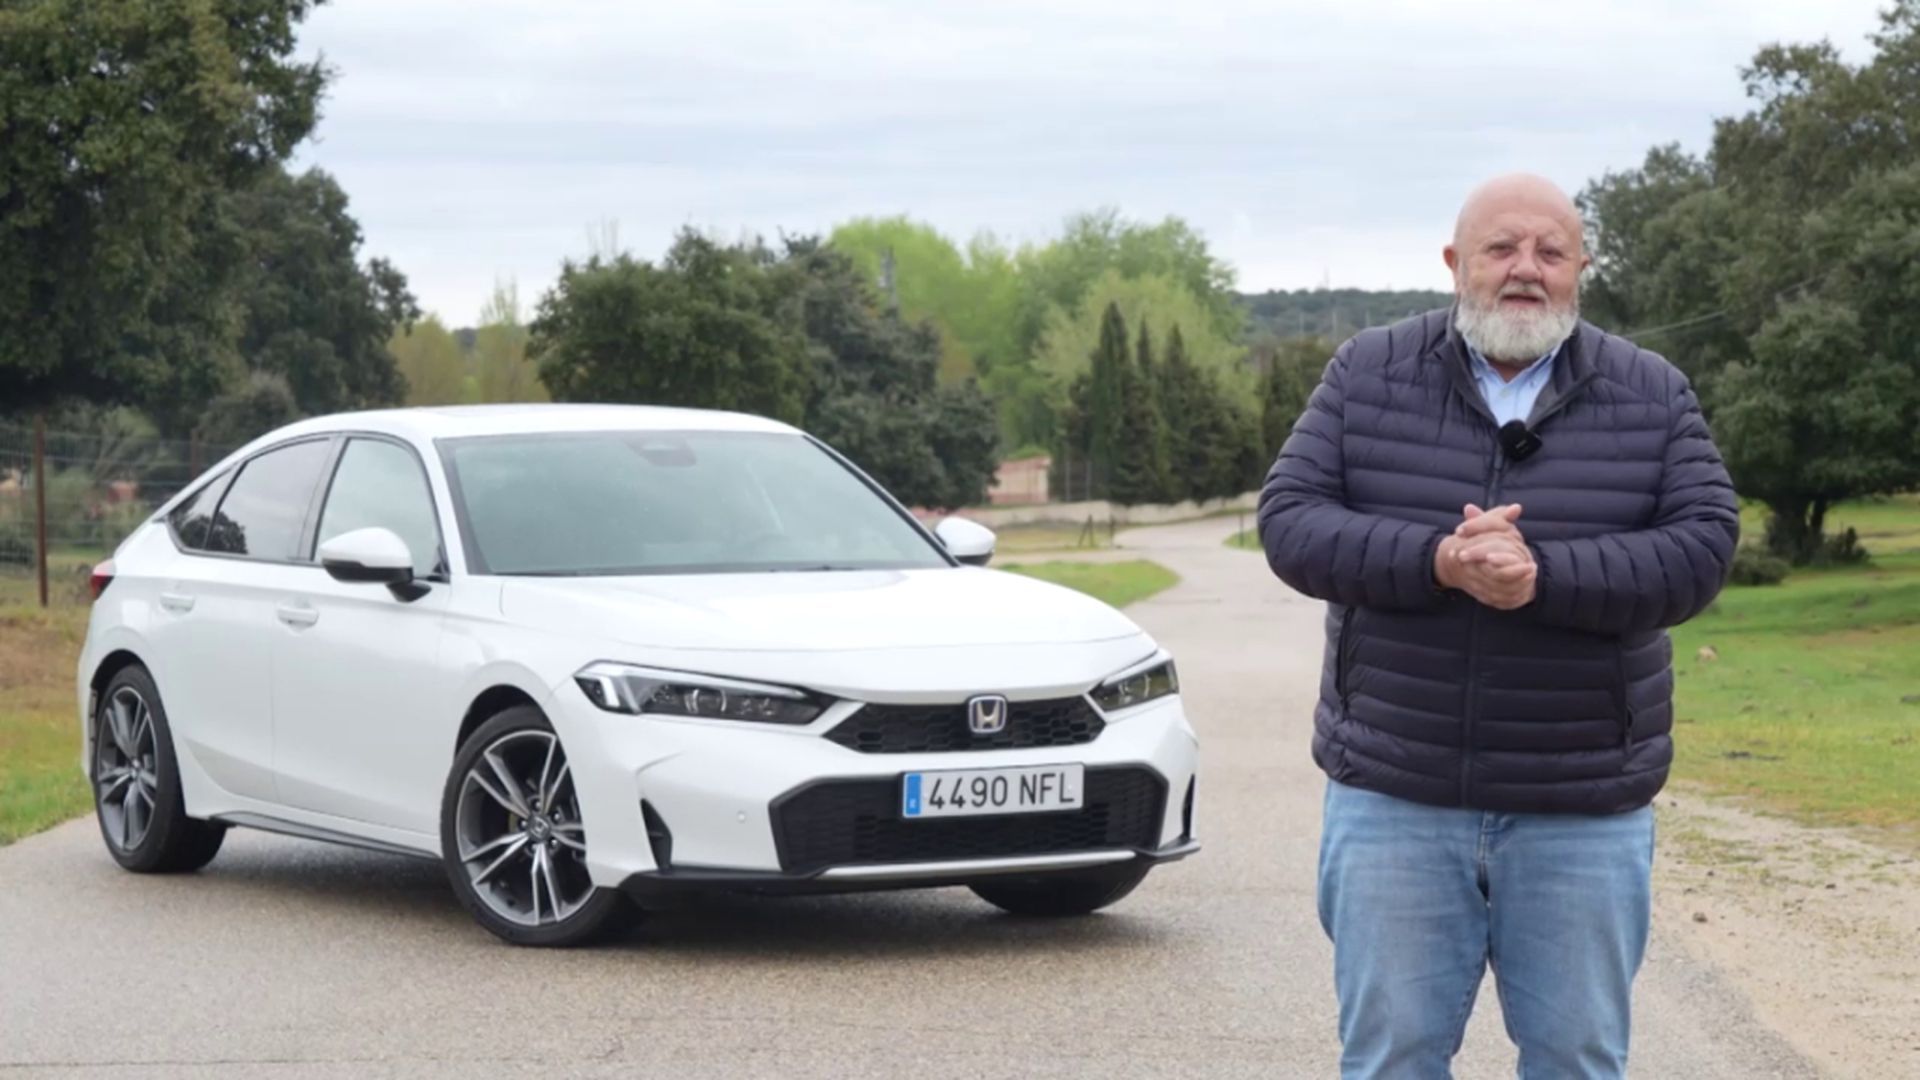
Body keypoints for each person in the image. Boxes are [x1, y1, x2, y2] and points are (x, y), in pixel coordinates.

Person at [1256, 173, 1739, 1078]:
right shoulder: (1368, 373)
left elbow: (1704, 546)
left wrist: (1542, 580)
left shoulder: (1652, 391)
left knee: (1577, 1060)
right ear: (1455, 264)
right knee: (1391, 1057)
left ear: (1581, 268)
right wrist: (1439, 562)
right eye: (1501, 250)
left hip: (1581, 805)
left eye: (1551, 253)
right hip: (1396, 793)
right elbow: (1289, 520)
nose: (1527, 271)